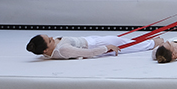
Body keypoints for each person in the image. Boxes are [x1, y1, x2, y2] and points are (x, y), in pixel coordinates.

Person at [26, 34, 154, 59]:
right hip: (97, 44)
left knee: (125, 41)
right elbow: (89, 53)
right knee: (127, 45)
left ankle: (153, 41)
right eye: (50, 40)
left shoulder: (44, 52)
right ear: (46, 49)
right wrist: (107, 47)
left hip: (92, 40)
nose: (52, 38)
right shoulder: (63, 50)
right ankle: (154, 43)